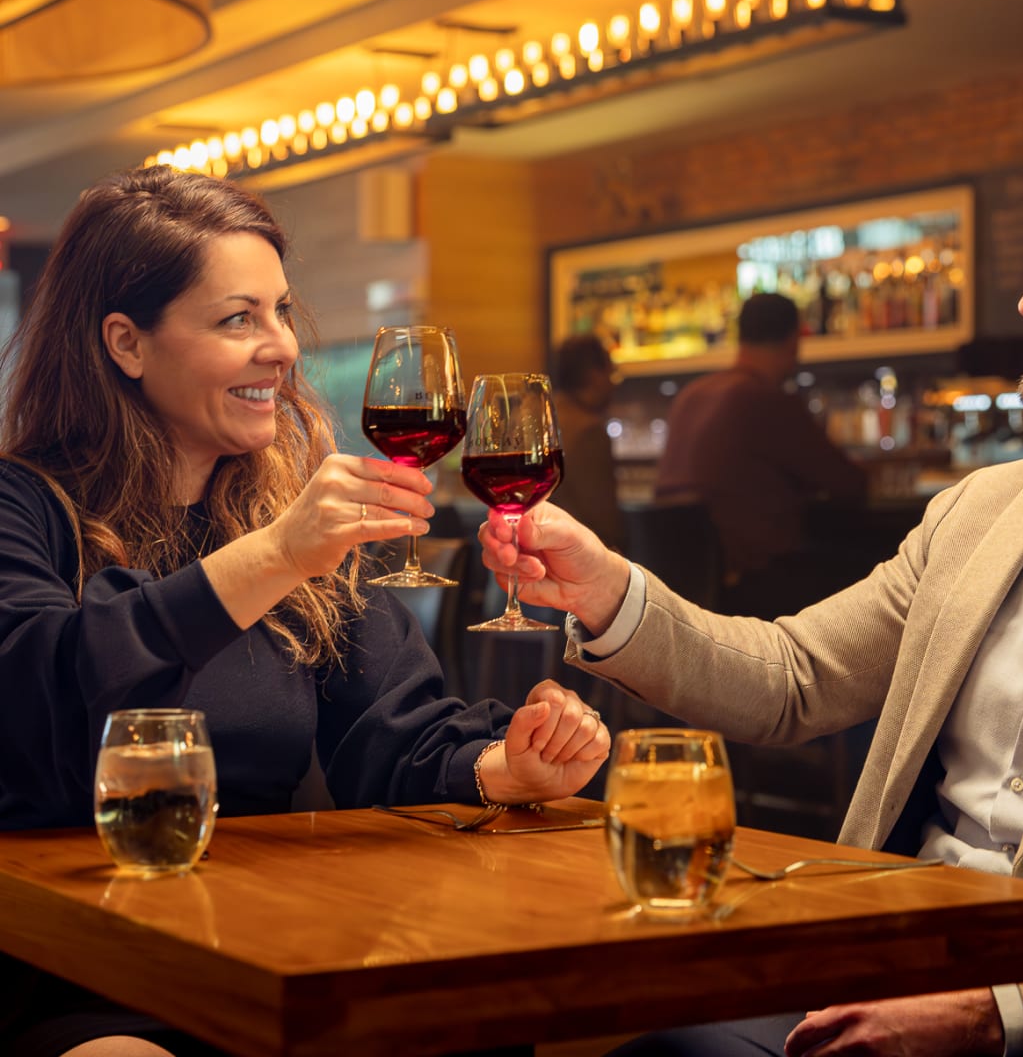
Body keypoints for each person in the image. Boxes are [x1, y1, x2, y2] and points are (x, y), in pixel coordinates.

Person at [478, 131, 1023, 1056]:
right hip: (878, 955)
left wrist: (1002, 1018)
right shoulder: (978, 511)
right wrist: (608, 590)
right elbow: (792, 677)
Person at [0, 166, 609, 1057]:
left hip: (262, 942)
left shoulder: (283, 520)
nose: (281, 346)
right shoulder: (25, 506)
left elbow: (396, 731)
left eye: (281, 311)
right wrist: (275, 556)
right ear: (126, 343)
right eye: (237, 318)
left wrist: (503, 767)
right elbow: (43, 691)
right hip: (75, 965)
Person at [654, 291, 866, 617]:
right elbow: (849, 483)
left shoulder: (690, 395)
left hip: (681, 587)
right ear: (795, 339)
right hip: (754, 590)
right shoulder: (766, 399)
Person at [551, 333, 626, 552]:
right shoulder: (589, 431)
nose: (613, 385)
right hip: (572, 564)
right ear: (595, 376)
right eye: (611, 373)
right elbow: (604, 526)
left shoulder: (541, 417)